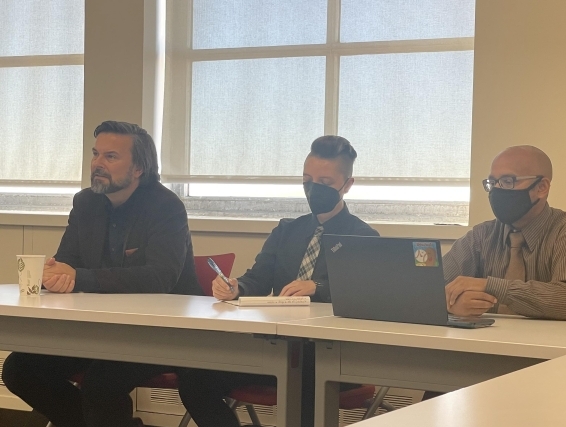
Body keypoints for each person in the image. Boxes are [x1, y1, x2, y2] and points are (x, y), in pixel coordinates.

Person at [2, 121, 201, 427]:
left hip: (159, 333)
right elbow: (67, 261)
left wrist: (78, 277)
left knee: (101, 384)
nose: (97, 163)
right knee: (19, 369)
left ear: (138, 168)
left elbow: (160, 278)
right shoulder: (86, 202)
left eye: (111, 156)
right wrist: (54, 275)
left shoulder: (166, 207)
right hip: (97, 330)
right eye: (95, 154)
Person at [178, 135, 379, 427]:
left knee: (305, 393)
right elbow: (258, 278)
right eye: (307, 180)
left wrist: (318, 288)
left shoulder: (363, 237)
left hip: (329, 356)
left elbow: (366, 293)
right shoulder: (287, 230)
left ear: (347, 185)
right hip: (275, 348)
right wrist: (236, 288)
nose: (313, 189)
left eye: (325, 182)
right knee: (194, 379)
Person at [444, 145, 566, 320]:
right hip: (490, 336)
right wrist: (449, 303)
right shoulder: (481, 236)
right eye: (493, 183)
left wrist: (493, 287)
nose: (497, 190)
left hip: (562, 338)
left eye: (508, 181)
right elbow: (428, 287)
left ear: (541, 187)